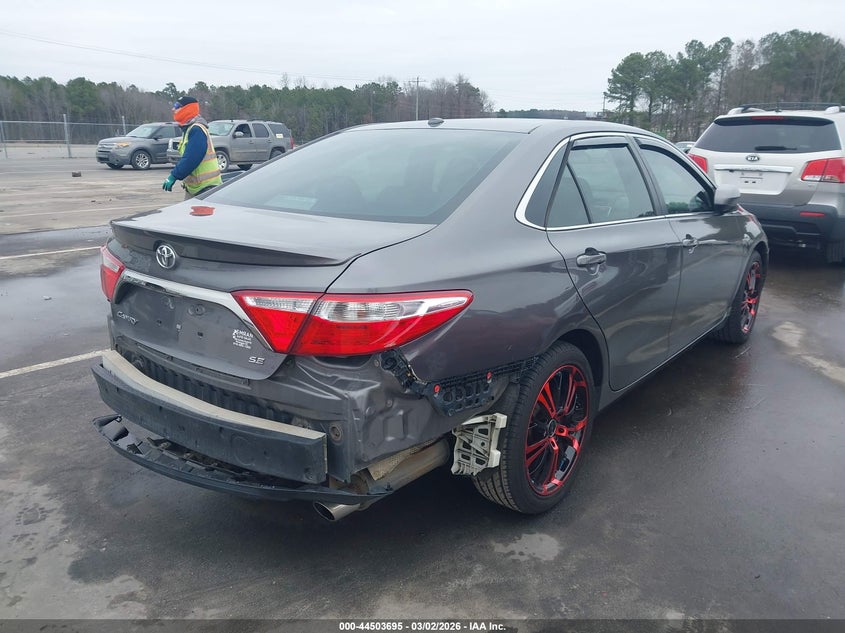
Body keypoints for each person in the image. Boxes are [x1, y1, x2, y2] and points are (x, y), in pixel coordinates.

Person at [162, 96, 222, 199]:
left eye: (177, 106)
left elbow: (191, 158)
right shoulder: (189, 129)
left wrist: (174, 175)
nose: (173, 109)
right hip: (196, 188)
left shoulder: (196, 130)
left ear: (187, 109)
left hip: (206, 188)